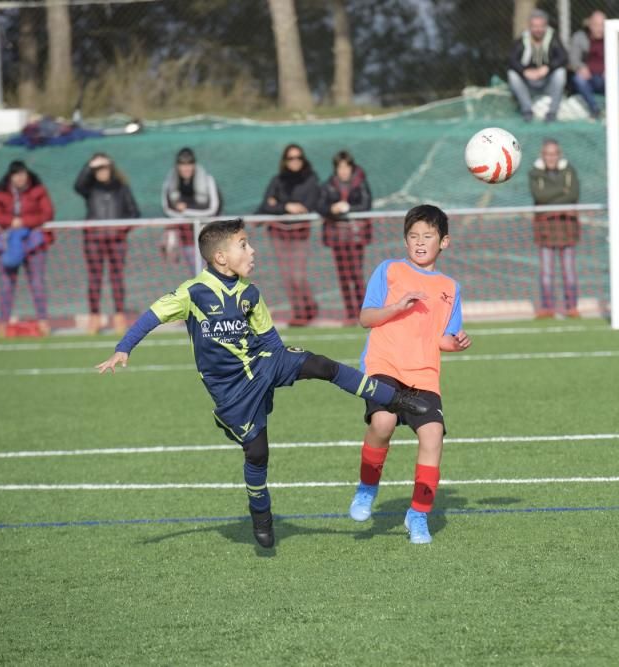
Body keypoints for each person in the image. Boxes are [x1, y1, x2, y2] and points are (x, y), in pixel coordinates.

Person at [96, 218, 428, 549]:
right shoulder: (192, 293)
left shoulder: (249, 293)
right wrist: (123, 348)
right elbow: (150, 317)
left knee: (322, 365)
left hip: (263, 362)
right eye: (243, 244)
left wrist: (287, 364)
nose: (252, 250)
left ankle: (396, 398)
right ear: (221, 257)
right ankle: (261, 514)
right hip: (231, 391)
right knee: (257, 453)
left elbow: (270, 339)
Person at [346, 205, 472, 544]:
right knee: (383, 423)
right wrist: (397, 306)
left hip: (424, 373)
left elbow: (443, 337)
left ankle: (418, 514)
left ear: (444, 242)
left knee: (433, 436)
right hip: (384, 364)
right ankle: (367, 488)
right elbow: (366, 318)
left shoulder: (450, 287)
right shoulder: (389, 271)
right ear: (405, 241)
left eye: (427, 236)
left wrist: (457, 343)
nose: (419, 242)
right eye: (413, 236)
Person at [74, 153, 140, 334]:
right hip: (94, 240)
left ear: (111, 168)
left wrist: (121, 229)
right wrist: (89, 164)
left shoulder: (121, 188)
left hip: (117, 240)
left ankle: (119, 316)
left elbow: (134, 212)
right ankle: (94, 317)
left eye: (104, 167)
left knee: (117, 278)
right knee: (95, 279)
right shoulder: (90, 189)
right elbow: (78, 185)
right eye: (97, 169)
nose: (101, 172)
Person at [256, 144, 320, 326]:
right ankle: (299, 312)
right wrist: (286, 207)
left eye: (298, 157)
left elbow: (308, 205)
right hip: (278, 234)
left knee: (297, 276)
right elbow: (266, 205)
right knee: (286, 276)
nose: (295, 161)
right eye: (291, 158)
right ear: (285, 161)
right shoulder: (278, 180)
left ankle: (309, 306)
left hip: (300, 234)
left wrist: (279, 203)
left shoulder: (310, 180)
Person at [0, 161, 55, 336]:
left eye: (22, 173)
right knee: (6, 285)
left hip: (34, 243)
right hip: (9, 243)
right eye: (16, 174)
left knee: (37, 283)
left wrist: (25, 222)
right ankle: (3, 323)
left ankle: (43, 322)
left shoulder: (38, 190)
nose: (20, 177)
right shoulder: (2, 193)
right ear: (10, 176)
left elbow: (47, 212)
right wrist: (11, 222)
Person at [318, 150, 373, 325]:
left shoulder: (360, 183)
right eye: (340, 167)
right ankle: (350, 313)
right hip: (337, 237)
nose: (343, 171)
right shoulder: (329, 185)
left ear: (351, 167)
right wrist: (332, 209)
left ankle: (362, 311)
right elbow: (320, 205)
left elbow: (366, 204)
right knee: (343, 276)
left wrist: (348, 208)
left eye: (346, 167)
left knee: (356, 274)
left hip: (356, 235)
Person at [529, 139, 581, 319]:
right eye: (547, 154)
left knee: (569, 271)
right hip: (545, 229)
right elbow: (539, 196)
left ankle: (571, 306)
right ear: (542, 156)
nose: (550, 157)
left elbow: (573, 195)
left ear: (559, 155)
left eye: (554, 154)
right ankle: (547, 308)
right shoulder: (535, 174)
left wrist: (553, 199)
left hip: (567, 228)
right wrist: (562, 193)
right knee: (547, 272)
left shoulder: (569, 171)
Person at [160, 147, 221, 273]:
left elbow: (214, 209)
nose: (186, 168)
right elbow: (167, 209)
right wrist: (186, 216)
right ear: (177, 166)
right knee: (197, 273)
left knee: (215, 274)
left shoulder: (208, 180)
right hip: (187, 236)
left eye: (189, 164)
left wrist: (185, 211)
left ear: (194, 165)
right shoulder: (170, 182)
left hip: (208, 235)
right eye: (182, 165)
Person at [508, 9, 568, 123]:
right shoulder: (523, 39)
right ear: (530, 27)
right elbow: (511, 60)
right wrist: (524, 71)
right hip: (528, 83)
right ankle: (527, 111)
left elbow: (563, 57)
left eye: (541, 26)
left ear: (546, 26)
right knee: (512, 74)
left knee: (560, 73)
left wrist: (547, 68)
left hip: (547, 82)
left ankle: (552, 112)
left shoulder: (553, 38)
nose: (538, 29)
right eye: (535, 26)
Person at [569, 10, 606, 118]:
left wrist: (611, 68)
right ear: (589, 24)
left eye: (602, 25)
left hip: (607, 78)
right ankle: (595, 109)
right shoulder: (579, 37)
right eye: (596, 25)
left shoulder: (613, 35)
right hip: (589, 78)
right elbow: (573, 58)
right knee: (578, 78)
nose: (599, 28)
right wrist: (581, 67)